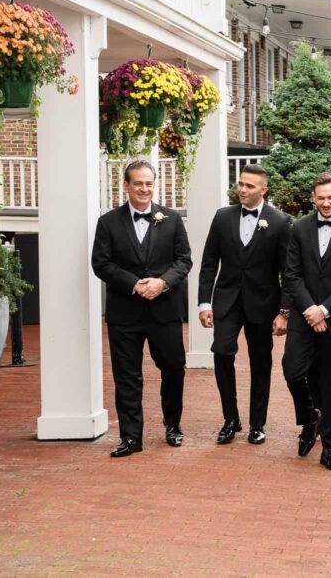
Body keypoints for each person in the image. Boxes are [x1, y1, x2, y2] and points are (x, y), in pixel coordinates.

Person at [91, 161, 192, 457]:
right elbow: (101, 263)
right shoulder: (108, 222)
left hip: (165, 311)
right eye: (138, 183)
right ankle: (131, 438)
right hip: (125, 313)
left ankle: (173, 425)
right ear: (126, 185)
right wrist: (135, 284)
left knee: (173, 369)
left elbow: (184, 260)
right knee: (127, 376)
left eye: (149, 184)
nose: (144, 189)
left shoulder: (171, 219)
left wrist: (162, 283)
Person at [198, 164, 291, 447]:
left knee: (260, 362)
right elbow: (209, 262)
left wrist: (284, 312)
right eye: (240, 184)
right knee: (222, 351)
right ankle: (230, 419)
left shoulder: (280, 221)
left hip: (263, 304)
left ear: (264, 189)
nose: (242, 189)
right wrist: (204, 303)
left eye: (250, 186)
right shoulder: (222, 217)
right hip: (227, 300)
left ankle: (257, 424)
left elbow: (288, 271)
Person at [280, 173, 331, 471]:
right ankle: (309, 417)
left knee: (329, 385)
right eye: (321, 198)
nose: (326, 203)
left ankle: (328, 449)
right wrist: (309, 310)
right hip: (305, 319)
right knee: (292, 370)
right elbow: (291, 274)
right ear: (313, 198)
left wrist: (325, 310)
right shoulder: (299, 227)